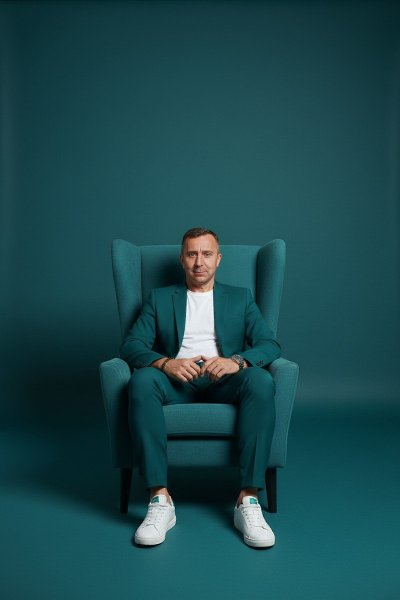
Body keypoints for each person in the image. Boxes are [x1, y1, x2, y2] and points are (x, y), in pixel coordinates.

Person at [120, 228, 281, 548]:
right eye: (192, 254)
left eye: (207, 254)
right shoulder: (160, 298)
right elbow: (131, 345)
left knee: (261, 380)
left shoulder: (240, 297)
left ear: (218, 259)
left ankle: (248, 499)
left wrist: (237, 361)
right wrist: (165, 363)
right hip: (176, 382)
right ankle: (159, 499)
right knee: (142, 380)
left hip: (225, 381)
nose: (199, 262)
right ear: (182, 259)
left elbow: (269, 344)